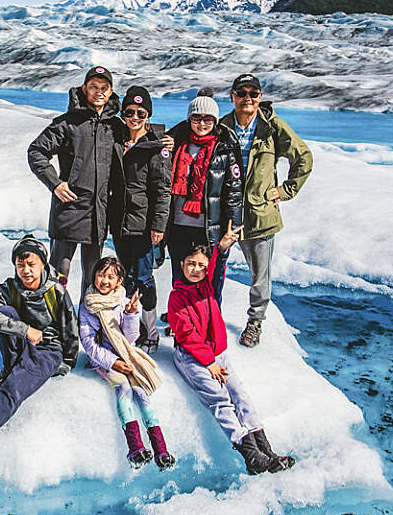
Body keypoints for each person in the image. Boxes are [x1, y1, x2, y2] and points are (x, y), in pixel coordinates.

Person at [168, 224, 295, 475]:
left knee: (240, 395)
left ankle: (266, 451)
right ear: (182, 264)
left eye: (201, 266)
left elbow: (216, 266)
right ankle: (250, 455)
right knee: (221, 400)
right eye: (191, 264)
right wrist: (209, 363)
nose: (196, 269)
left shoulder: (207, 288)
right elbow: (186, 334)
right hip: (192, 357)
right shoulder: (177, 297)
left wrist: (223, 247)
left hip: (217, 354)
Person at [0, 234, 79, 462]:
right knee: (5, 313)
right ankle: (12, 366)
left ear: (42, 264)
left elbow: (70, 326)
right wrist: (24, 329)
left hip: (48, 349)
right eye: (21, 265)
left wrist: (67, 362)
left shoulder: (55, 290)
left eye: (31, 264)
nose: (26, 270)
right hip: (22, 342)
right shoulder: (10, 288)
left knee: (13, 389)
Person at [219, 74, 312, 347]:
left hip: (260, 213)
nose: (248, 98)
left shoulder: (271, 127)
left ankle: (255, 321)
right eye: (242, 93)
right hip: (225, 213)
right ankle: (204, 316)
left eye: (253, 93)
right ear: (233, 96)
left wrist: (285, 190)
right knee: (211, 267)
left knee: (260, 274)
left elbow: (303, 157)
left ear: (260, 97)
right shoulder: (223, 126)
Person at [28, 66, 120, 295]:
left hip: (99, 214)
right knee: (58, 276)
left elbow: (139, 138)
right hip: (69, 211)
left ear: (110, 92)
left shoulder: (115, 126)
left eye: (104, 88)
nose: (99, 92)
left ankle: (87, 327)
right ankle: (55, 326)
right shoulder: (66, 123)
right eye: (94, 87)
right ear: (84, 88)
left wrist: (165, 141)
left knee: (94, 279)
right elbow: (36, 152)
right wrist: (55, 183)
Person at [78, 256, 176, 470]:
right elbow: (89, 344)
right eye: (101, 275)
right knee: (123, 389)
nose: (104, 280)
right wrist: (114, 363)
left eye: (110, 277)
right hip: (105, 361)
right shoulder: (88, 306)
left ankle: (161, 449)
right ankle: (135, 447)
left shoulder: (124, 302)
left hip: (128, 356)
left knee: (141, 393)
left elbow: (130, 339)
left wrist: (131, 315)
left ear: (119, 281)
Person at [164, 88, 242, 304]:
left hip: (208, 226)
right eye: (196, 118)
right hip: (179, 224)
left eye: (207, 119)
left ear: (215, 121)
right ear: (189, 120)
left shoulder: (224, 149)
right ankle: (180, 316)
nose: (202, 124)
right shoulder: (177, 144)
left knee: (210, 277)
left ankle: (209, 319)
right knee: (180, 274)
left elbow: (234, 191)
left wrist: (232, 228)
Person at [109, 86, 171, 353]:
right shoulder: (117, 141)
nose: (135, 117)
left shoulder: (156, 148)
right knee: (126, 277)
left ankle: (151, 331)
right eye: (130, 112)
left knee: (144, 278)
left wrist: (158, 225)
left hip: (144, 225)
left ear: (148, 115)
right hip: (121, 223)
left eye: (141, 112)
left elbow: (162, 189)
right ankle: (130, 326)